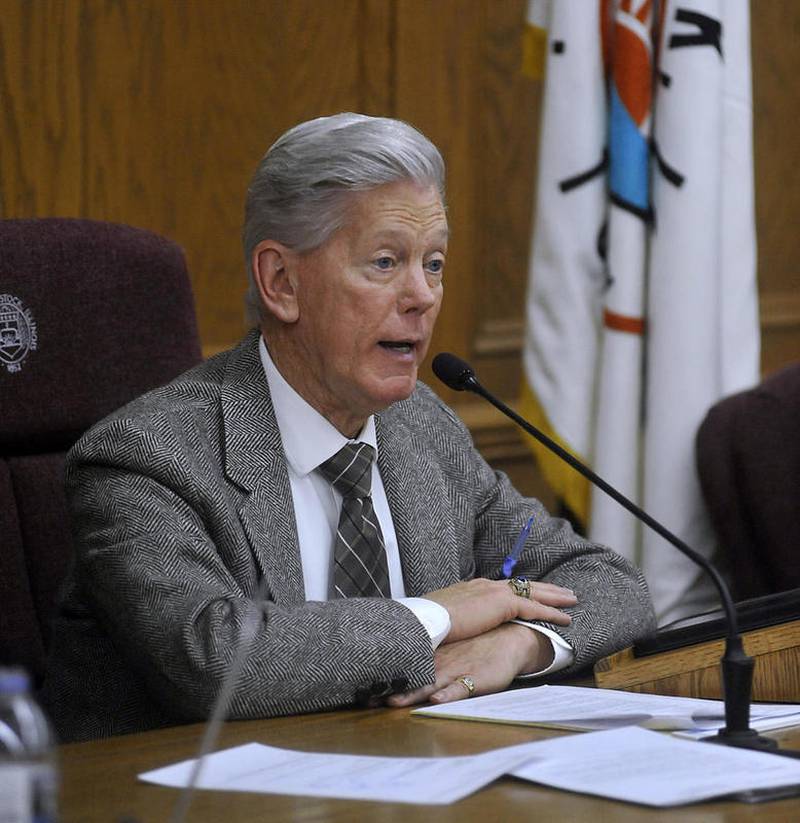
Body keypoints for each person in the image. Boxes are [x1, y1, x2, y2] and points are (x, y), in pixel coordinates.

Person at [41, 113, 656, 742]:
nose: (422, 296)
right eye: (386, 262)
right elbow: (215, 659)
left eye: (435, 263)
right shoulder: (145, 456)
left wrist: (519, 644)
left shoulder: (422, 428)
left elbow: (611, 584)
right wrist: (434, 618)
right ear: (282, 283)